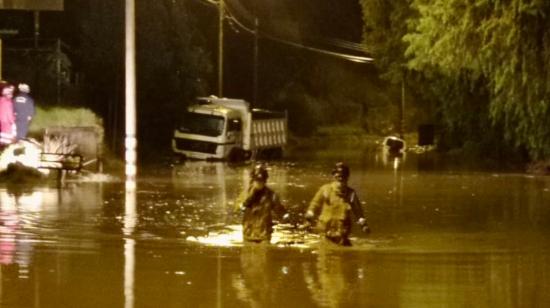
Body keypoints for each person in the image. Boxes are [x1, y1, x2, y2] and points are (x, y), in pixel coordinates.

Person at [305, 162, 370, 246]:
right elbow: (315, 204)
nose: (341, 179)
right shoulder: (325, 189)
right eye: (338, 176)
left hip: (342, 232)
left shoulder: (351, 193)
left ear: (347, 178)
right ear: (333, 176)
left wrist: (363, 225)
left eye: (343, 176)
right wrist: (309, 217)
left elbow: (358, 212)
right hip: (325, 230)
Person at [235, 163, 287, 243]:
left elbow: (279, 209)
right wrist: (243, 205)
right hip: (248, 234)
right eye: (257, 180)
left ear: (265, 181)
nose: (259, 183)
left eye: (261, 181)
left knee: (264, 252)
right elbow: (237, 208)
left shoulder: (271, 195)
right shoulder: (245, 194)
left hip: (264, 234)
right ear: (253, 180)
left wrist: (285, 215)